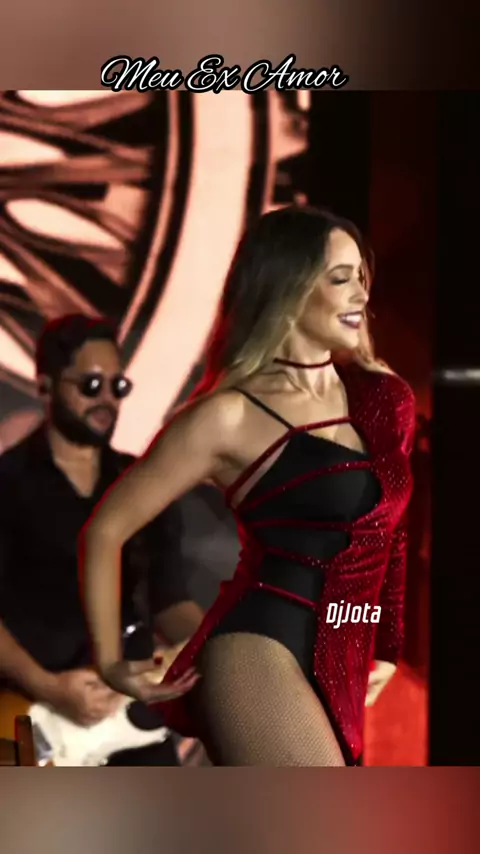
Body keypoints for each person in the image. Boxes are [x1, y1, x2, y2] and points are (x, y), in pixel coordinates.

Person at [80, 206, 416, 767]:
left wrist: (385, 642)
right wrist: (111, 661)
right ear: (288, 288)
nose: (361, 293)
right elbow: (105, 530)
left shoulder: (382, 396)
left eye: (361, 276)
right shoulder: (227, 416)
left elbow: (392, 529)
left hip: (344, 641)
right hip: (256, 648)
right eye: (341, 278)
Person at [0, 314, 203, 765]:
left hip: (130, 718)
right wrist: (47, 686)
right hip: (36, 713)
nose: (107, 400)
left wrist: (217, 643)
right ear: (46, 387)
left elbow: (171, 601)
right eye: (92, 385)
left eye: (118, 386)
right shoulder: (7, 484)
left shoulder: (144, 484)